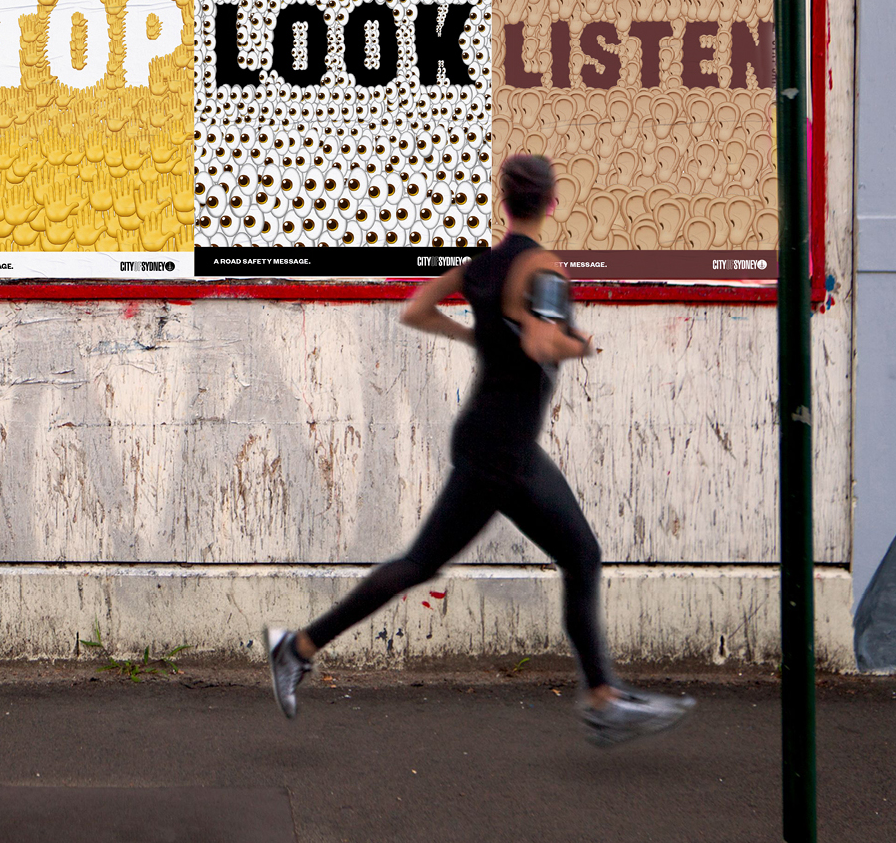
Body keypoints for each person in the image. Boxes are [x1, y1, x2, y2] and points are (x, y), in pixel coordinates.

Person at [266, 154, 696, 748]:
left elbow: (416, 310)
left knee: (563, 554)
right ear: (551, 203)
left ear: (505, 201)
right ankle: (296, 648)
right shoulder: (544, 268)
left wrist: (472, 334)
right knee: (472, 560)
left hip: (496, 442)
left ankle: (298, 647)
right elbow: (542, 343)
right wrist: (579, 344)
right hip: (502, 452)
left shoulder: (480, 266)